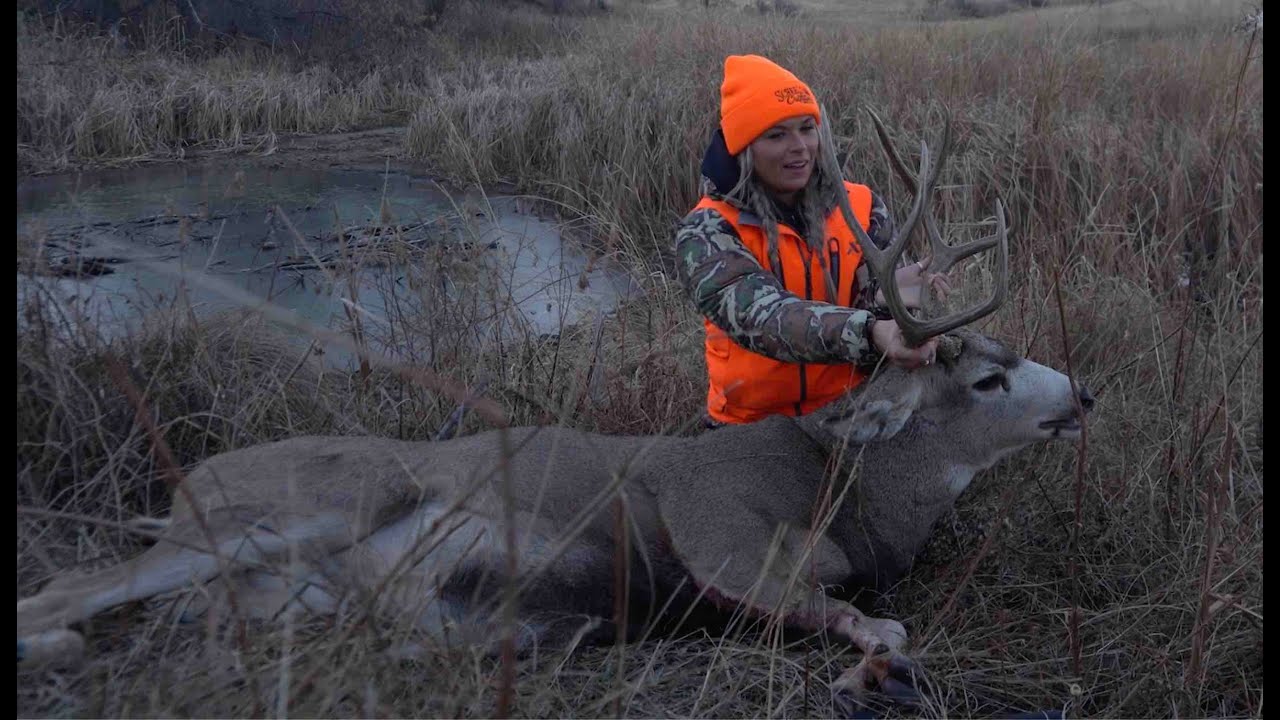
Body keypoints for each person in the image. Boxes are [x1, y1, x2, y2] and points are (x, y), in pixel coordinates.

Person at [675, 54, 952, 427]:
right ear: (744, 147)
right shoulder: (707, 231)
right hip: (750, 425)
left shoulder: (861, 207)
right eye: (776, 134)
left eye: (807, 128)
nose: (801, 147)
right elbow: (766, 318)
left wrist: (893, 304)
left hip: (851, 409)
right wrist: (870, 332)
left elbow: (868, 308)